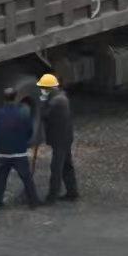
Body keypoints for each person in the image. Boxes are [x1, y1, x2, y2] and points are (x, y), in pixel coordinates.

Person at [0, 86, 40, 209]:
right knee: (26, 178)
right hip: (19, 152)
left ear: (4, 98)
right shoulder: (23, 113)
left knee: (0, 180)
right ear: (15, 97)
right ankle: (33, 202)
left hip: (3, 153)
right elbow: (29, 131)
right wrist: (24, 142)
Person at [38, 73, 79, 203]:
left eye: (43, 88)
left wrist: (42, 102)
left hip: (60, 139)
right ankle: (72, 192)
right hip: (65, 137)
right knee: (67, 165)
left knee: (56, 168)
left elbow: (43, 115)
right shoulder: (61, 97)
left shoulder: (56, 101)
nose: (42, 90)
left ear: (48, 88)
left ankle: (52, 197)